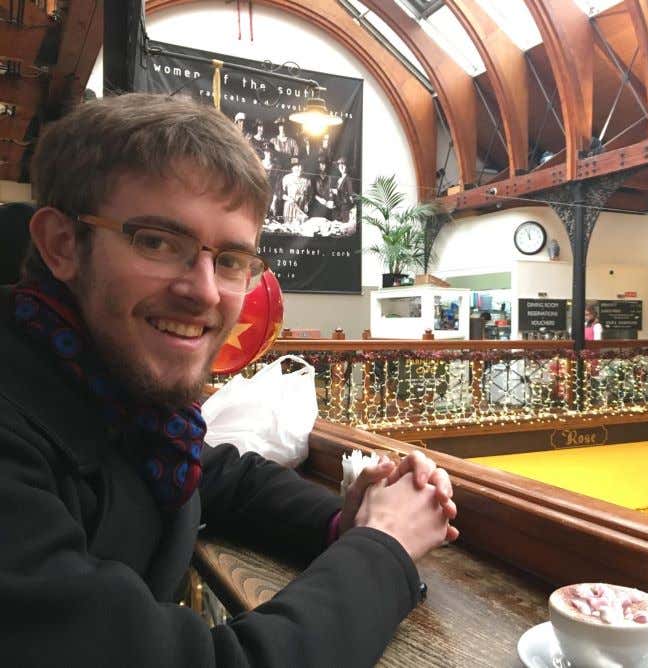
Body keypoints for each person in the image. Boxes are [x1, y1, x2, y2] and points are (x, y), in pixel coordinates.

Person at [0, 93, 458, 667]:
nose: (206, 291)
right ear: (63, 245)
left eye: (231, 259)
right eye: (159, 242)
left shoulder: (97, 385)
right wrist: (383, 548)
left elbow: (210, 475)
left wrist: (347, 518)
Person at [332, 156, 355, 225]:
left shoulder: (348, 179)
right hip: (338, 208)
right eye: (339, 164)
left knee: (343, 227)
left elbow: (351, 198)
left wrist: (337, 192)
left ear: (346, 166)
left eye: (343, 164)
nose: (341, 166)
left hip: (345, 209)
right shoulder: (340, 179)